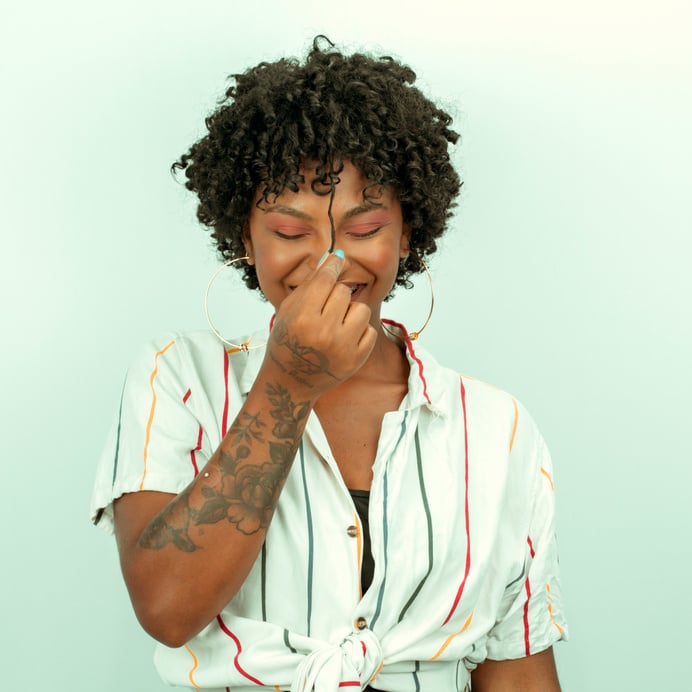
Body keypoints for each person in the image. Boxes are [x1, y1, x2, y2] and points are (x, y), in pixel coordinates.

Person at [91, 37, 567, 691]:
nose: (329, 262)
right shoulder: (177, 378)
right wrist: (288, 381)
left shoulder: (497, 428)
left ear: (408, 232)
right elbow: (167, 605)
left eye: (365, 226)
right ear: (243, 238)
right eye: (291, 232)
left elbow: (516, 670)